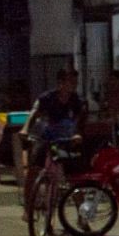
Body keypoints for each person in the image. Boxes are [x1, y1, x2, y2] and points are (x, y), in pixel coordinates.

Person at [22, 67, 86, 217]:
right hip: (46, 137)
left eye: (75, 82)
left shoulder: (77, 100)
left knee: (74, 177)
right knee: (33, 171)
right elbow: (34, 114)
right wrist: (25, 129)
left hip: (66, 138)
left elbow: (80, 120)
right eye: (70, 82)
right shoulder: (47, 98)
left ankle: (82, 215)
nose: (73, 85)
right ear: (60, 83)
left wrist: (77, 134)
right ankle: (28, 208)